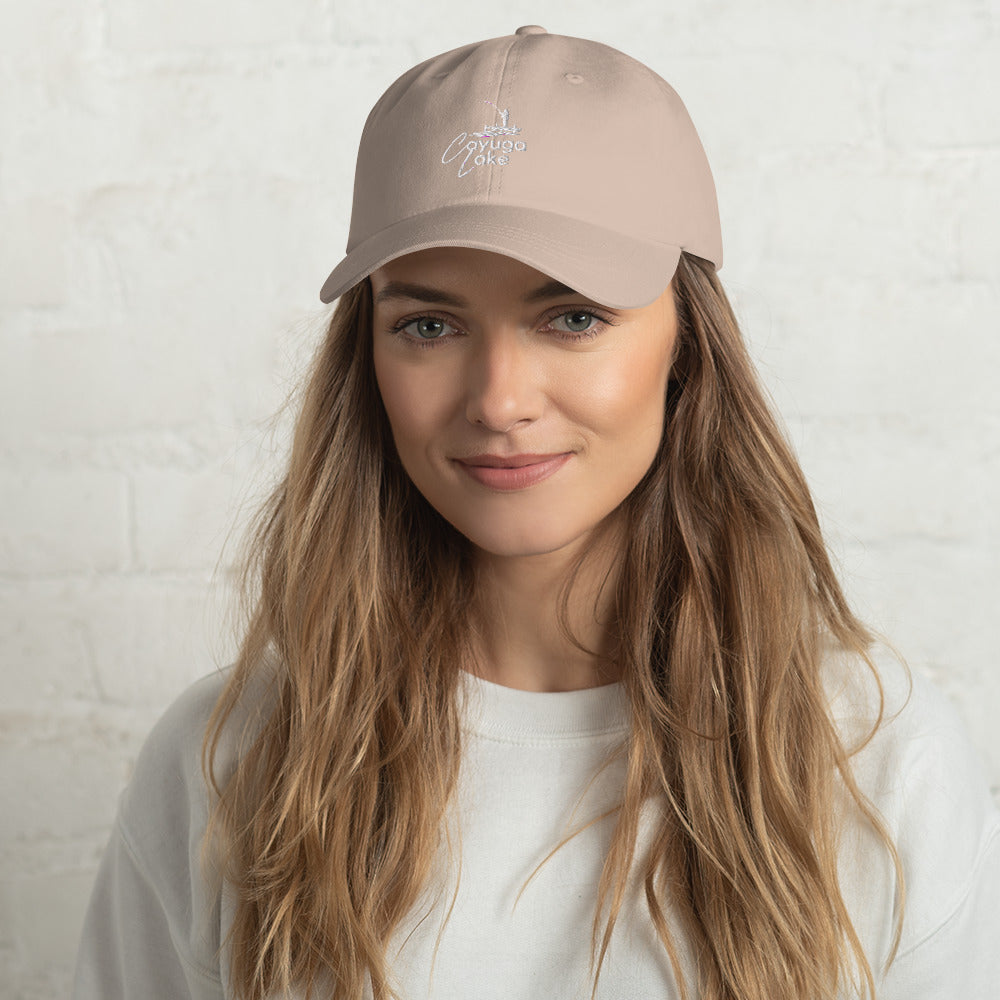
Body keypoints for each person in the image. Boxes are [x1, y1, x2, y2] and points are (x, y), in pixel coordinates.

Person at [71, 25, 1000, 1000]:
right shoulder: (229, 762)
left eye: (572, 316)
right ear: (369, 362)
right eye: (428, 324)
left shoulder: (878, 761)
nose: (499, 398)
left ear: (689, 343)